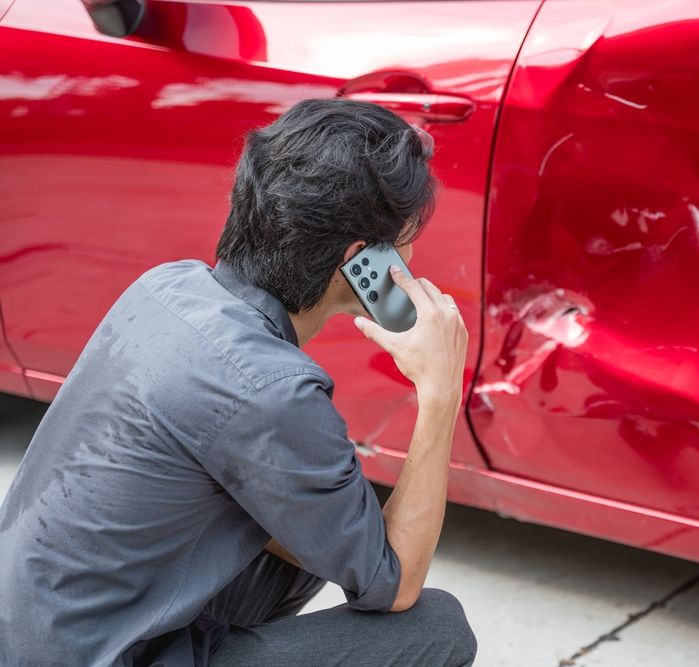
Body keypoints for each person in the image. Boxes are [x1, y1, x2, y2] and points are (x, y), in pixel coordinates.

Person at [0, 98, 476, 666]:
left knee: (322, 531)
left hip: (36, 633)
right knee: (436, 627)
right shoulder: (274, 391)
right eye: (404, 239)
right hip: (106, 654)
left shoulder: (165, 287)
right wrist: (441, 392)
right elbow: (395, 584)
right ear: (360, 258)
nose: (412, 254)